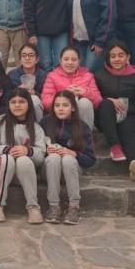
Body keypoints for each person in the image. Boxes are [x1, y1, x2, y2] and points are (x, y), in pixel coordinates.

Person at [0, 88, 46, 224]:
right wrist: (7, 149)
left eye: (22, 102)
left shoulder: (36, 128)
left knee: (24, 160)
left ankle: (33, 206)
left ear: (29, 104)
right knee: (7, 158)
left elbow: (41, 157)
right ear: (8, 105)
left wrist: (28, 151)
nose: (17, 105)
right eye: (13, 102)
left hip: (22, 174)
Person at [94, 40, 135, 180]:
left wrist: (129, 109)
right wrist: (109, 100)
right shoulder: (99, 75)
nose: (117, 59)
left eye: (121, 55)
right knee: (106, 105)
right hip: (105, 116)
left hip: (128, 113)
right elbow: (94, 96)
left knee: (130, 133)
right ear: (108, 58)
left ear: (128, 57)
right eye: (113, 56)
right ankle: (115, 146)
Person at [41, 90, 96, 224]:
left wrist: (74, 153)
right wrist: (46, 150)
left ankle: (74, 207)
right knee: (54, 158)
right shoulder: (45, 122)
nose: (60, 108)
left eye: (65, 105)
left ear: (72, 107)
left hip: (71, 170)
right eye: (57, 105)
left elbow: (91, 160)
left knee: (68, 158)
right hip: (49, 169)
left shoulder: (82, 127)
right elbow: (35, 149)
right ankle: (54, 206)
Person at [40, 46, 102, 128]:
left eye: (74, 60)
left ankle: (86, 137)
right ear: (60, 60)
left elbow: (98, 100)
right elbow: (45, 102)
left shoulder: (87, 75)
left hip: (82, 116)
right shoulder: (52, 76)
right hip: (60, 117)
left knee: (85, 102)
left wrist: (84, 92)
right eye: (66, 59)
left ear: (79, 61)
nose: (70, 63)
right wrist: (64, 94)